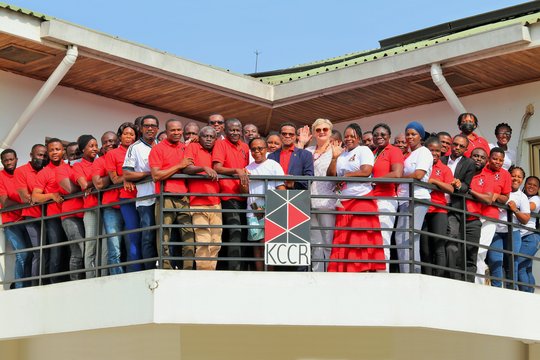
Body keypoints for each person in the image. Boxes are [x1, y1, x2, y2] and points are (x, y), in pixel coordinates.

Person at [326, 123, 385, 272]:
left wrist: (345, 176)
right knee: (345, 238)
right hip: (344, 201)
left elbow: (366, 171)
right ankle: (346, 269)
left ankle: (363, 269)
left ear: (358, 137)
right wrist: (334, 158)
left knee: (361, 238)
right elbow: (330, 176)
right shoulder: (342, 154)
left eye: (352, 136)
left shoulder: (363, 150)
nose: (349, 139)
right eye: (346, 136)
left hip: (362, 199)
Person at [149, 119, 195, 270]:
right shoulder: (157, 149)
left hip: (183, 196)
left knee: (189, 234)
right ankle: (166, 267)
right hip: (165, 196)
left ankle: (188, 267)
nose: (176, 133)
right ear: (166, 131)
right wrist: (179, 166)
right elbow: (156, 175)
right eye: (172, 130)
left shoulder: (185, 147)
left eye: (179, 130)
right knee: (164, 234)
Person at [242, 138, 286, 271]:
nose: (257, 152)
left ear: (266, 149)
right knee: (257, 244)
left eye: (260, 148)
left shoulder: (274, 165)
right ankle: (259, 274)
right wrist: (243, 180)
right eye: (254, 149)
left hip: (270, 210)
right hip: (253, 211)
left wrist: (273, 208)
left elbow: (281, 189)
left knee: (267, 244)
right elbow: (245, 192)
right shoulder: (247, 168)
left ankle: (269, 274)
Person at [395, 121, 433, 273]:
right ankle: (410, 271)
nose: (410, 137)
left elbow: (419, 174)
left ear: (420, 136)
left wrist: (400, 177)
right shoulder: (409, 154)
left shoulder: (424, 152)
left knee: (407, 236)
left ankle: (411, 272)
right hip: (405, 198)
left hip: (417, 197)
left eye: (413, 134)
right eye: (408, 134)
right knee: (405, 236)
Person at [123, 114, 160, 270]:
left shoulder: (161, 145)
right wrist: (149, 174)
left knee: (164, 234)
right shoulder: (135, 147)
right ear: (141, 128)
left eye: (153, 126)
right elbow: (127, 174)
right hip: (145, 200)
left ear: (158, 129)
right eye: (146, 126)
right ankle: (149, 270)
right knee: (147, 236)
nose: (150, 128)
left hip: (162, 197)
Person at [213, 118, 250, 270]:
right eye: (231, 130)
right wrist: (236, 171)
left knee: (245, 234)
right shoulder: (220, 144)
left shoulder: (246, 147)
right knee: (234, 231)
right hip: (228, 195)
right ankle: (233, 270)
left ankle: (243, 268)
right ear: (225, 131)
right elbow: (217, 167)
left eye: (237, 130)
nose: (235, 133)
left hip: (246, 195)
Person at [183, 126, 221, 270]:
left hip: (216, 202)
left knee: (216, 241)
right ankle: (203, 273)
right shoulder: (193, 147)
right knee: (203, 241)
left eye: (212, 137)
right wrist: (203, 167)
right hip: (197, 202)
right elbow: (186, 168)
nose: (209, 139)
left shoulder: (217, 149)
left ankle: (210, 272)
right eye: (205, 136)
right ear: (199, 137)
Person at [487, 166, 530, 288]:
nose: (516, 179)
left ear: (522, 180)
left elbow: (526, 219)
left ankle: (512, 289)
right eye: (513, 175)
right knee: (495, 260)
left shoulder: (522, 197)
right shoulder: (500, 189)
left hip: (513, 232)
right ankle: (497, 289)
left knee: (512, 263)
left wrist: (515, 210)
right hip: (496, 230)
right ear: (507, 176)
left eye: (519, 177)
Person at [306, 118, 339, 272]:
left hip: (328, 202)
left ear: (330, 132)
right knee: (314, 241)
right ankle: (316, 273)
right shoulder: (308, 151)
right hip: (309, 202)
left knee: (328, 239)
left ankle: (329, 274)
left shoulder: (337, 150)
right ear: (313, 133)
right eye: (318, 130)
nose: (321, 132)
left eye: (325, 130)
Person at [441, 134, 475, 279]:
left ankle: (452, 275)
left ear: (466, 149)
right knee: (436, 238)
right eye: (455, 144)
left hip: (453, 206)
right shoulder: (441, 159)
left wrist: (460, 185)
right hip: (437, 203)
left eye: (461, 146)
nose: (457, 148)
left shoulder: (469, 163)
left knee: (452, 239)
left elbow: (467, 185)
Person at [107, 122, 139, 272]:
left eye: (131, 134)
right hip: (127, 198)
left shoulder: (139, 150)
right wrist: (126, 178)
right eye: (126, 134)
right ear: (120, 136)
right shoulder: (112, 154)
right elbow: (114, 179)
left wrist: (128, 176)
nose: (129, 137)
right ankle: (134, 271)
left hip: (144, 196)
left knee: (144, 235)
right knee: (132, 237)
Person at [476, 147, 512, 284]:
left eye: (501, 160)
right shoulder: (481, 169)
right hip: (474, 212)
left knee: (481, 250)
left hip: (491, 215)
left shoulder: (505, 174)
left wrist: (496, 196)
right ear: (489, 158)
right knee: (473, 248)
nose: (498, 162)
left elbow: (506, 197)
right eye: (495, 159)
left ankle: (478, 281)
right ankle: (475, 279)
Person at [72, 135, 106, 278]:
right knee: (91, 244)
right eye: (91, 146)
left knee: (105, 247)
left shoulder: (102, 162)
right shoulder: (78, 166)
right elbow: (84, 185)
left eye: (96, 145)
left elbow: (106, 179)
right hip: (91, 209)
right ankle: (90, 278)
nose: (95, 149)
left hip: (105, 207)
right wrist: (98, 182)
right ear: (83, 149)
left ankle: (104, 276)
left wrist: (97, 182)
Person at [371, 123, 404, 272]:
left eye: (383, 134)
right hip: (372, 199)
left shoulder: (394, 150)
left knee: (383, 238)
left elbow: (397, 174)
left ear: (389, 136)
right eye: (376, 134)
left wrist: (374, 180)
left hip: (387, 198)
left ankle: (383, 273)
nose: (379, 137)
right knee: (372, 238)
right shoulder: (374, 152)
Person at [458, 148, 493, 282]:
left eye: (482, 157)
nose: (478, 159)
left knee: (471, 256)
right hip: (456, 218)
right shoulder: (460, 170)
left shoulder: (487, 177)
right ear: (469, 156)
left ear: (486, 161)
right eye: (475, 156)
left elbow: (488, 199)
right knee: (454, 251)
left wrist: (470, 190)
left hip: (473, 221)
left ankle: (469, 286)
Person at [14, 144, 47, 286]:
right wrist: (43, 197)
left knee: (49, 249)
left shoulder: (47, 170)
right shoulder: (21, 171)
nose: (42, 158)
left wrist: (39, 197)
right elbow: (25, 197)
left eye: (44, 156)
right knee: (38, 250)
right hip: (31, 216)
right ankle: (35, 284)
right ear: (31, 155)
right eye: (39, 155)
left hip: (49, 215)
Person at [420, 137, 453, 277]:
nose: (435, 153)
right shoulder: (421, 164)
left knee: (439, 247)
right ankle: (426, 277)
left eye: (438, 151)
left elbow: (450, 189)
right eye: (431, 150)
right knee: (425, 248)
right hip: (422, 209)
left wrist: (433, 181)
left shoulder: (444, 169)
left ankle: (438, 279)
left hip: (438, 210)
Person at [92, 132, 123, 275]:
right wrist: (113, 176)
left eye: (112, 141)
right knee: (114, 246)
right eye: (105, 142)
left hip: (129, 203)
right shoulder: (99, 161)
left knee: (131, 243)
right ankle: (117, 276)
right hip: (111, 207)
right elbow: (98, 183)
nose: (109, 144)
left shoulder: (125, 155)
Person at [0, 149, 31, 288]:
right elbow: (5, 202)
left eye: (11, 159)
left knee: (33, 254)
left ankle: (29, 284)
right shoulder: (0, 176)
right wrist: (25, 202)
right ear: (2, 162)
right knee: (22, 254)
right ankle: (19, 287)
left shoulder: (21, 174)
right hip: (11, 222)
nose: (9, 162)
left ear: (16, 159)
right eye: (5, 160)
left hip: (27, 219)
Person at [268, 122, 314, 190]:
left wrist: (293, 183)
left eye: (291, 134)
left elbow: (310, 178)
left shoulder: (306, 155)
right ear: (280, 135)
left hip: (297, 194)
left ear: (295, 136)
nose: (287, 136)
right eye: (284, 134)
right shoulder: (271, 156)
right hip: (275, 194)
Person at [517, 175, 540, 292]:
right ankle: (531, 293)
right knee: (526, 267)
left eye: (535, 185)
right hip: (525, 236)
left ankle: (526, 294)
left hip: (531, 237)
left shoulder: (536, 199)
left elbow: (530, 207)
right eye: (529, 184)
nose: (531, 186)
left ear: (538, 188)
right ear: (524, 185)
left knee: (519, 265)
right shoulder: (522, 195)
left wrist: (515, 204)